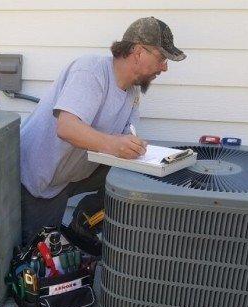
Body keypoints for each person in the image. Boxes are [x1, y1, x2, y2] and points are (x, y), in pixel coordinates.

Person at [19, 17, 186, 243]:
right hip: (34, 180)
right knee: (36, 256)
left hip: (66, 178)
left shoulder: (131, 93)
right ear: (138, 52)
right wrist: (114, 144)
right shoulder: (91, 70)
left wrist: (133, 145)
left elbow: (129, 135)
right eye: (162, 58)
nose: (164, 67)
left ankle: (84, 223)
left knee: (133, 176)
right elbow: (67, 127)